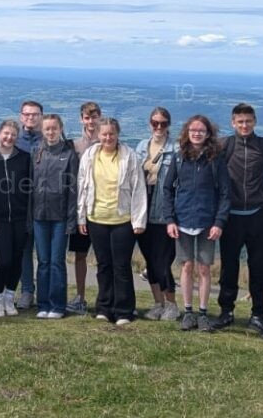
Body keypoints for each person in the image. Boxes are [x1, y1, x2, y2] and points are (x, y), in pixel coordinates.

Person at [210, 103, 263, 333]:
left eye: (248, 121)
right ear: (233, 123)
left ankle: (258, 315)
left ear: (255, 121)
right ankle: (226, 312)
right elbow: (211, 177)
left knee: (259, 267)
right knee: (229, 266)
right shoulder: (225, 145)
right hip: (231, 216)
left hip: (258, 215)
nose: (244, 125)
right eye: (240, 122)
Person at [162, 115, 231, 332]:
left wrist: (219, 222)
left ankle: (202, 313)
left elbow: (225, 192)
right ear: (187, 132)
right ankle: (188, 312)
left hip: (207, 222)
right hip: (182, 220)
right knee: (186, 266)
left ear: (208, 133)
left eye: (201, 130)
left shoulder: (216, 159)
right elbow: (167, 189)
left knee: (204, 268)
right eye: (193, 130)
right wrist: (170, 220)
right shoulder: (179, 157)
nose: (197, 134)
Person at [76, 118, 147, 325]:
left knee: (121, 266)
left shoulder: (129, 156)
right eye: (104, 134)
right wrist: (81, 216)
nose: (108, 137)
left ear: (117, 134)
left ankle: (124, 310)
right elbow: (82, 185)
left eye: (111, 134)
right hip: (96, 218)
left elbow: (138, 188)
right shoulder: (90, 155)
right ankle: (104, 308)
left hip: (122, 219)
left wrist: (139, 220)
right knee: (103, 265)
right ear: (98, 135)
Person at [31, 114, 78, 319]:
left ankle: (57, 306)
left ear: (61, 129)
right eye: (47, 129)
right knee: (43, 262)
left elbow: (73, 190)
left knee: (57, 262)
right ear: (42, 131)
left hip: (60, 218)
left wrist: (71, 220)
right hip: (39, 216)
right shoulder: (37, 153)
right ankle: (42, 304)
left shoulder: (69, 154)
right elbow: (30, 187)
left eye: (54, 128)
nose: (51, 132)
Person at [0, 119, 32, 317]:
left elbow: (30, 189)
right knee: (3, 261)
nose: (9, 137)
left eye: (13, 134)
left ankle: (9, 298)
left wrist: (29, 216)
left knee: (17, 260)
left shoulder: (24, 158)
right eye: (6, 133)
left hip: (20, 218)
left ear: (17, 137)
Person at [136, 106, 178, 321]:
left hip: (164, 210)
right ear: (150, 124)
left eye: (163, 123)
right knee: (150, 259)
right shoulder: (142, 146)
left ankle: (171, 304)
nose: (159, 127)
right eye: (155, 123)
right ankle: (157, 304)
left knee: (162, 261)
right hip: (143, 207)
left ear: (168, 125)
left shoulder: (176, 149)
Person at [67, 101, 103, 314]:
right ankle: (80, 297)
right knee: (80, 254)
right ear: (81, 119)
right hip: (80, 208)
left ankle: (104, 298)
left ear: (100, 117)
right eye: (87, 117)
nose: (91, 121)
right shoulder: (74, 146)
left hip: (103, 208)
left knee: (103, 257)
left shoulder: (108, 142)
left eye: (94, 117)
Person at [14, 99, 44, 307]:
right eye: (27, 114)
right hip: (21, 204)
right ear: (21, 117)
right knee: (24, 251)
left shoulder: (49, 139)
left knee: (43, 252)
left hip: (44, 204)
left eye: (34, 114)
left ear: (41, 116)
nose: (30, 117)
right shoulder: (15, 141)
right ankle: (26, 291)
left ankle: (44, 291)